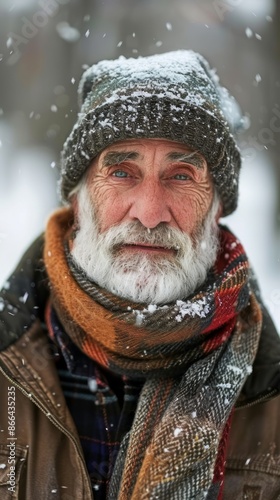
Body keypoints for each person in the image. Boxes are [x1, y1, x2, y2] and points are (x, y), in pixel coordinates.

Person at [0, 50, 279, 500]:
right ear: (79, 198)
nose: (149, 215)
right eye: (122, 172)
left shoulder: (271, 390)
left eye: (182, 176)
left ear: (217, 208)